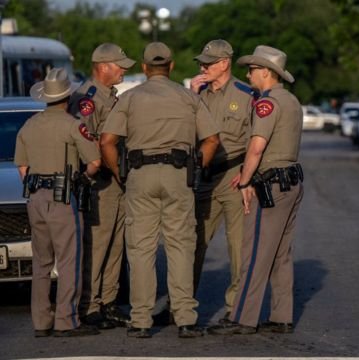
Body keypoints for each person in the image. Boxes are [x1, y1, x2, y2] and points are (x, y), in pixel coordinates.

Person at [100, 42, 220, 339]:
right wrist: (196, 165)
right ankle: (185, 319)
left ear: (143, 68)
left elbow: (106, 141)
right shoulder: (187, 98)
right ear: (171, 66)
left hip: (139, 176)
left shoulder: (130, 98)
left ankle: (140, 320)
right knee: (180, 246)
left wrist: (121, 174)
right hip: (179, 174)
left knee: (141, 249)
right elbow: (212, 140)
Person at [208, 45, 304, 335]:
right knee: (280, 253)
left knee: (255, 253)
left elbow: (256, 147)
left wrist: (246, 180)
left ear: (266, 72)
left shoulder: (268, 103)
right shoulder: (292, 101)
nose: (247, 73)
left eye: (252, 69)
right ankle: (281, 316)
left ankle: (241, 318)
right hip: (291, 181)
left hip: (271, 184)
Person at [14, 68, 102, 337]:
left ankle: (41, 322)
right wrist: (81, 179)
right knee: (68, 260)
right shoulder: (73, 125)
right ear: (67, 98)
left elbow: (22, 168)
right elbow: (95, 163)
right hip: (62, 196)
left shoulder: (29, 125)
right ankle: (66, 320)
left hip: (35, 198)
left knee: (40, 262)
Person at [68, 43, 135, 329]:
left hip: (117, 180)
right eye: (119, 65)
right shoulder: (88, 98)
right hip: (101, 182)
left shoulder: (110, 96)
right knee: (96, 245)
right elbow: (87, 143)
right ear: (103, 66)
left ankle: (108, 301)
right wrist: (113, 168)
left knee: (115, 244)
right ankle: (90, 304)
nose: (123, 70)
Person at [190, 39, 254, 321]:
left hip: (233, 175)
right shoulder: (198, 94)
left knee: (237, 246)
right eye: (202, 62)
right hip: (204, 177)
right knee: (192, 243)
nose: (203, 67)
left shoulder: (246, 94)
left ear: (225, 63)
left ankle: (235, 309)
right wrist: (191, 96)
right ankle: (182, 305)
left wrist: (249, 175)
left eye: (209, 62)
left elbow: (259, 138)